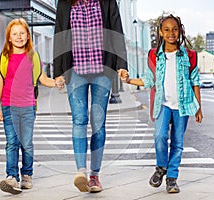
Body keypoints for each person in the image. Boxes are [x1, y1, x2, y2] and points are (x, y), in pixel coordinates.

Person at [119, 14, 203, 193]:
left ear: (180, 31)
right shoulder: (154, 55)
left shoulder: (190, 55)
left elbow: (195, 82)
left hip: (183, 105)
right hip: (163, 104)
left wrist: (198, 108)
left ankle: (172, 179)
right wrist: (129, 81)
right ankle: (161, 167)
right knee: (159, 136)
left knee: (178, 143)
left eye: (174, 29)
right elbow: (149, 80)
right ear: (160, 32)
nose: (171, 33)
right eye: (167, 29)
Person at [53, 0, 127, 193]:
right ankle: (81, 172)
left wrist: (121, 64)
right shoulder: (65, 3)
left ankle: (94, 176)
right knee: (79, 119)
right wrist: (58, 71)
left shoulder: (107, 2)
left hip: (102, 69)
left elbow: (116, 31)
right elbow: (59, 34)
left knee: (98, 123)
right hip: (74, 69)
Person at [0, 18, 64, 195]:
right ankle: (11, 177)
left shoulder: (33, 56)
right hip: (9, 106)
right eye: (14, 34)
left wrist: (56, 83)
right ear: (9, 37)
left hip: (28, 107)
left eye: (22, 33)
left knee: (26, 144)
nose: (19, 36)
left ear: (28, 36)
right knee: (11, 143)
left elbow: (42, 79)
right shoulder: (4, 57)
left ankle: (27, 175)